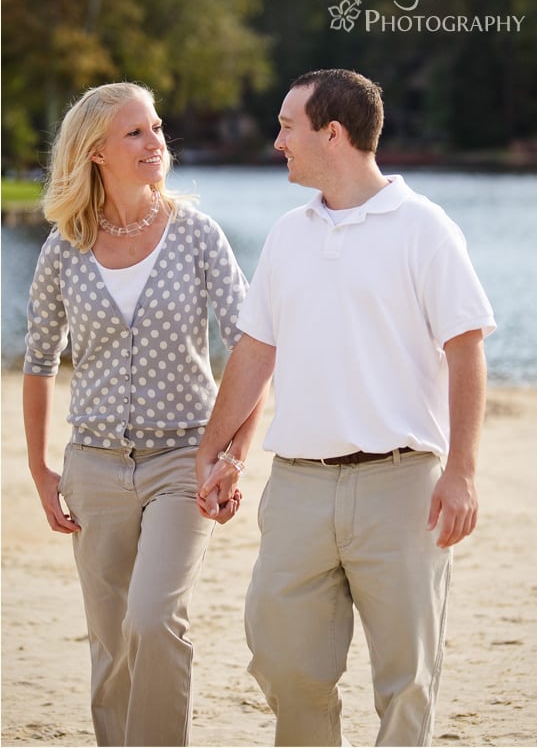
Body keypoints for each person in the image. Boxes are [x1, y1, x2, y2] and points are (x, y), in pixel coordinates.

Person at [196, 69, 496, 747]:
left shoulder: (423, 228)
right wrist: (212, 452)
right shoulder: (286, 235)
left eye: (285, 126)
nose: (277, 142)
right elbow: (252, 355)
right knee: (279, 659)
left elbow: (465, 349)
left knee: (406, 678)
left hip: (400, 486)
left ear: (332, 133)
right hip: (298, 484)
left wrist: (462, 471)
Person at [22, 81, 261, 747]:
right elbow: (38, 362)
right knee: (111, 643)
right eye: (135, 132)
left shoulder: (196, 236)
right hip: (92, 467)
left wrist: (234, 454)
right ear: (95, 151)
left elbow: (250, 347)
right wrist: (41, 469)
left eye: (156, 128)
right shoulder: (65, 248)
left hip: (182, 463)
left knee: (154, 620)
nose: (155, 141)